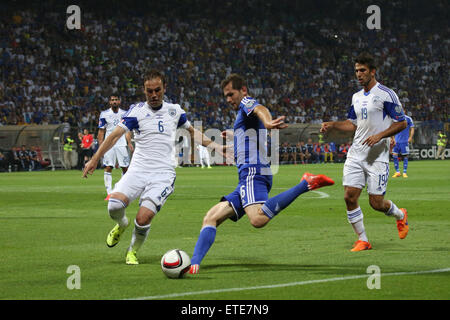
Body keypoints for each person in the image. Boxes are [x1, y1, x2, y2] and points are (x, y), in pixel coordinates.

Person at [189, 74, 334, 274]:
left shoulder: (247, 104)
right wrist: (234, 136)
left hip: (252, 172)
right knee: (211, 217)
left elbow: (260, 109)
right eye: (226, 96)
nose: (229, 99)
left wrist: (267, 122)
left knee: (257, 219)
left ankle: (305, 184)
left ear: (243, 91)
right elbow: (252, 133)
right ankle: (194, 263)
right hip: (249, 176)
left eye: (232, 94)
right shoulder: (243, 117)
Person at [82, 69, 227, 265]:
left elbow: (193, 133)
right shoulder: (137, 111)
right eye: (149, 91)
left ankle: (132, 251)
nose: (154, 95)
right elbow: (114, 135)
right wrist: (94, 158)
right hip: (138, 170)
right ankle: (122, 224)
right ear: (144, 91)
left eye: (157, 90)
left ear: (164, 88)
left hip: (163, 174)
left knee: (143, 218)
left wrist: (216, 146)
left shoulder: (175, 111)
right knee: (114, 206)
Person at [320, 52, 409, 252]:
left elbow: (402, 122)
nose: (359, 74)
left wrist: (381, 135)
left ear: (372, 71)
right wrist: (332, 125)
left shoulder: (386, 94)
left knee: (376, 203)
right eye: (356, 71)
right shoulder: (356, 97)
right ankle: (363, 239)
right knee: (349, 197)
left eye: (362, 71)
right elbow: (352, 125)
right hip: (356, 153)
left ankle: (400, 215)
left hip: (377, 156)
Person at [98, 94, 134, 200]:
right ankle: (109, 193)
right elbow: (101, 131)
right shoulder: (104, 114)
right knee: (108, 167)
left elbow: (127, 130)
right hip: (109, 145)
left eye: (116, 100)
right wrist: (101, 146)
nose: (114, 101)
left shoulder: (125, 114)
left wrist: (129, 143)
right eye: (112, 100)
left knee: (125, 168)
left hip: (121, 143)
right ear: (109, 102)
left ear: (119, 101)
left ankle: (121, 190)